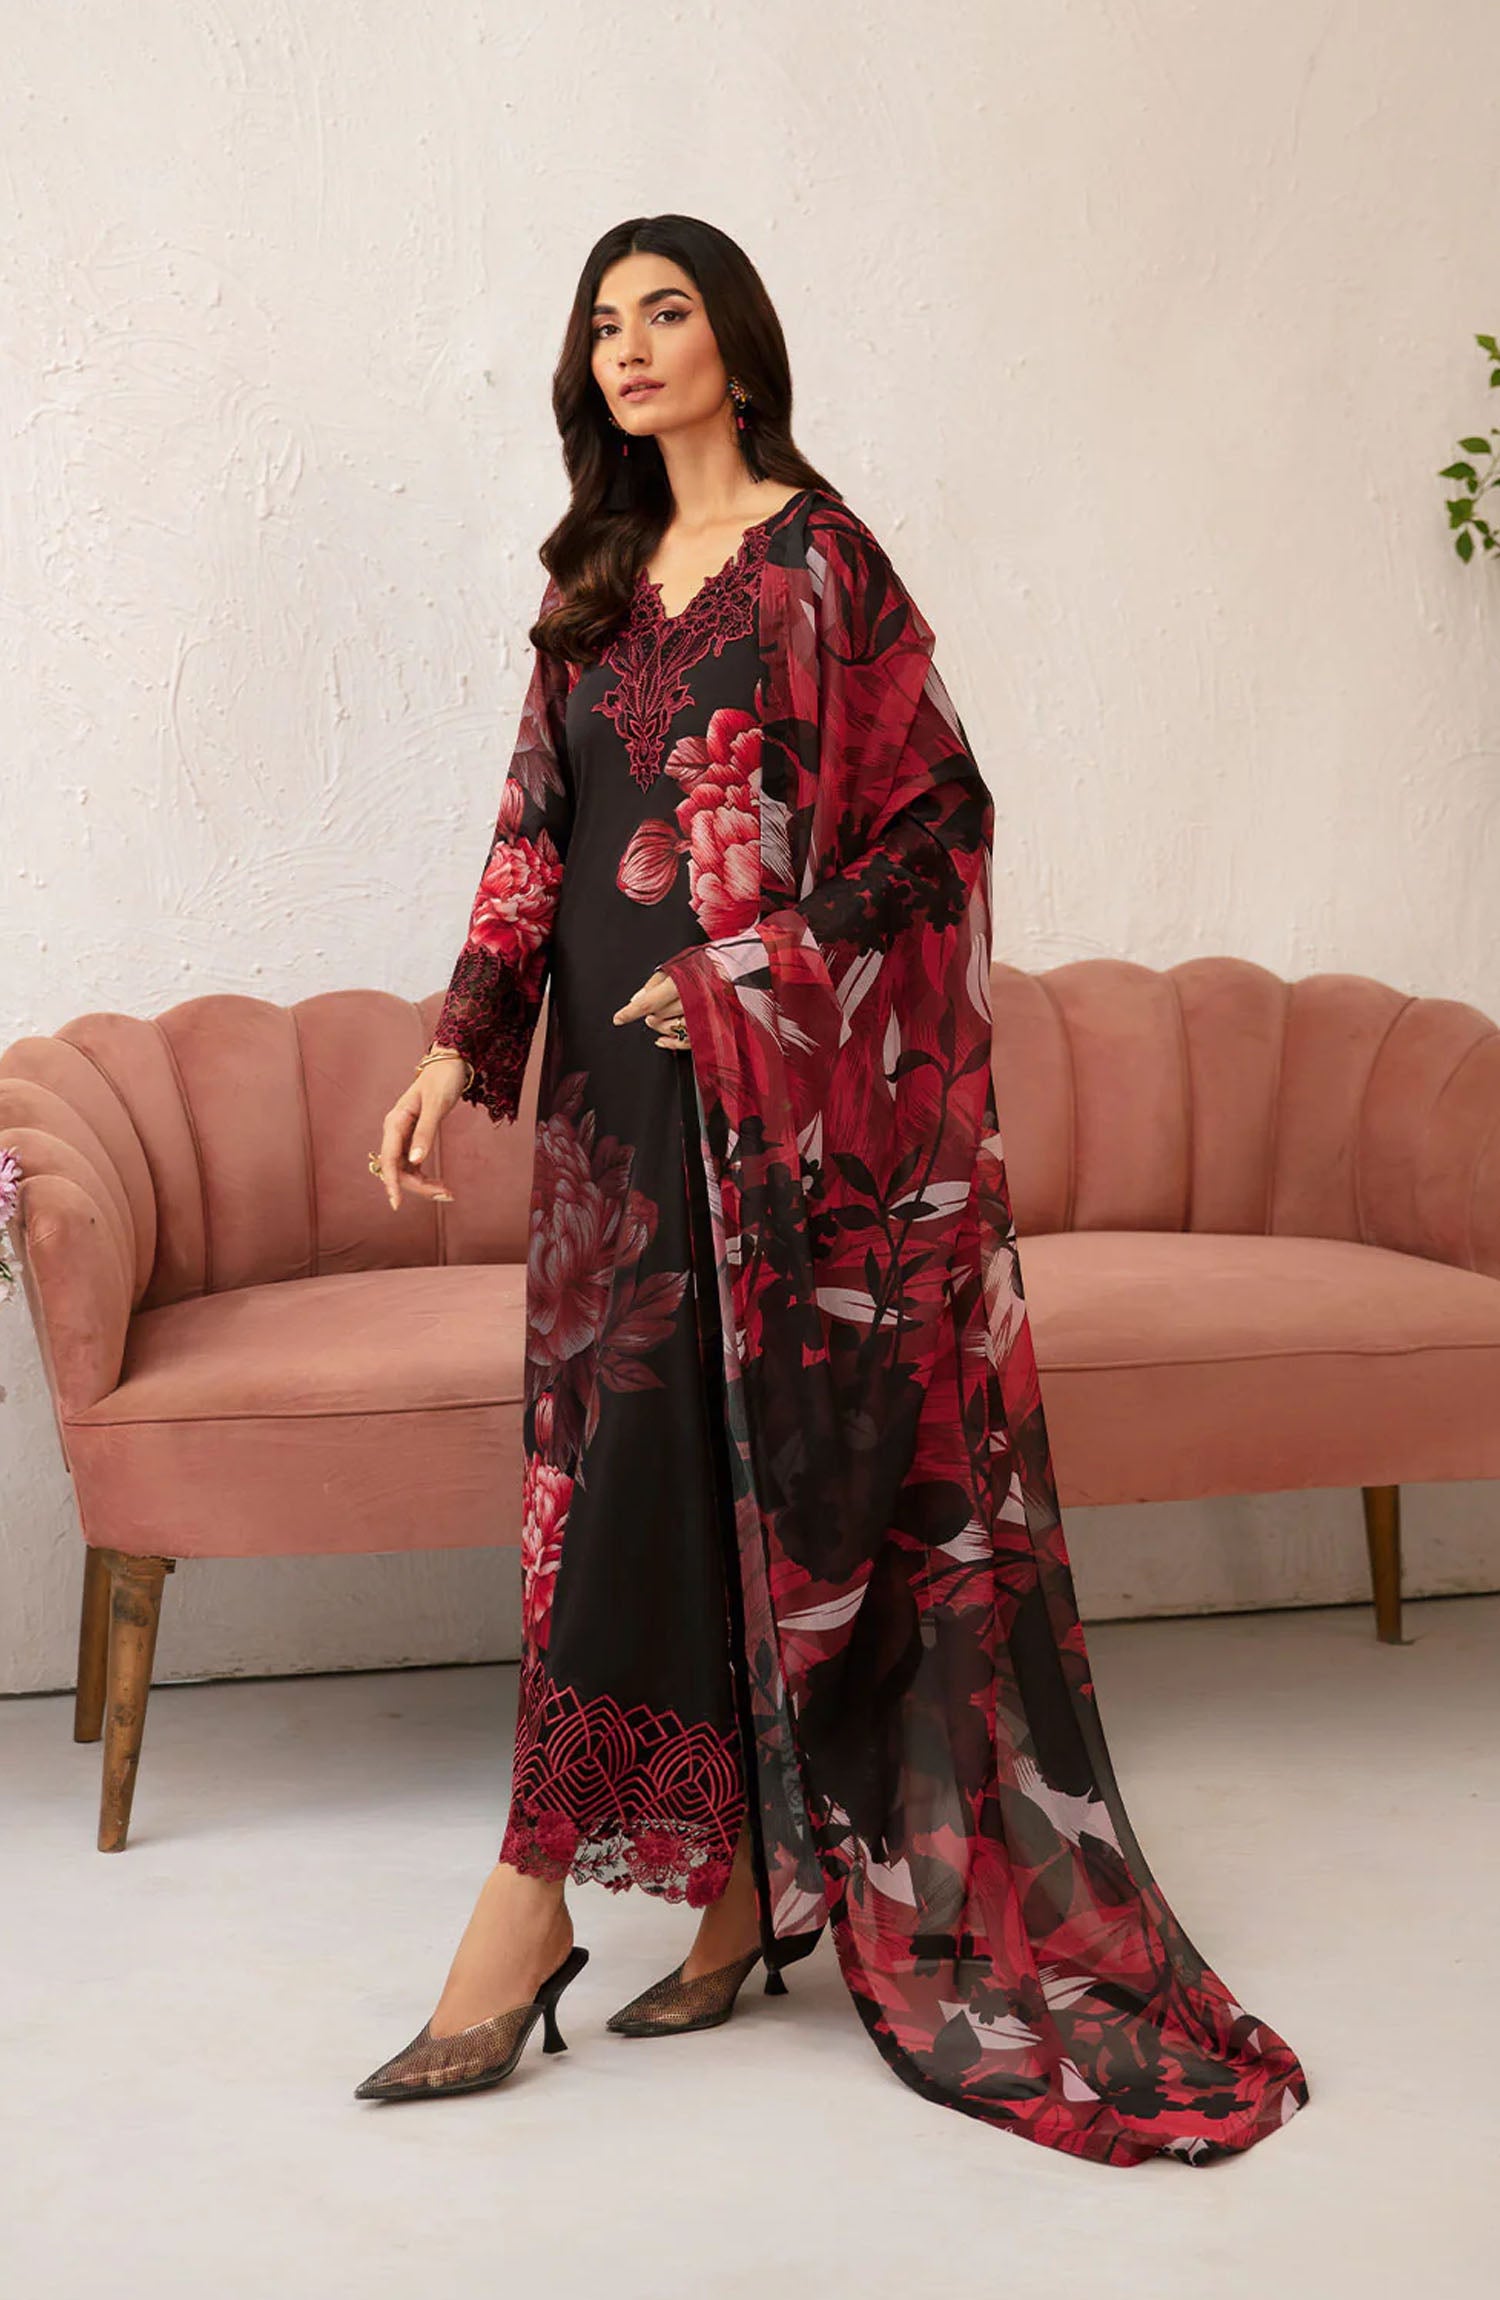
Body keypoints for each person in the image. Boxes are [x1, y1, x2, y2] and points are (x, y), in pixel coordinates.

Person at [354, 214, 1309, 2166]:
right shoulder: (590, 578)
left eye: (666, 311)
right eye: (602, 324)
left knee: (670, 1483)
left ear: (736, 338)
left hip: (762, 1116)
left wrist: (748, 974)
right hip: (607, 1119)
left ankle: (525, 1911)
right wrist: (458, 1043)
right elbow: (535, 829)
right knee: (628, 1480)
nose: (631, 347)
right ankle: (724, 1906)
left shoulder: (819, 565)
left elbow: (936, 829)